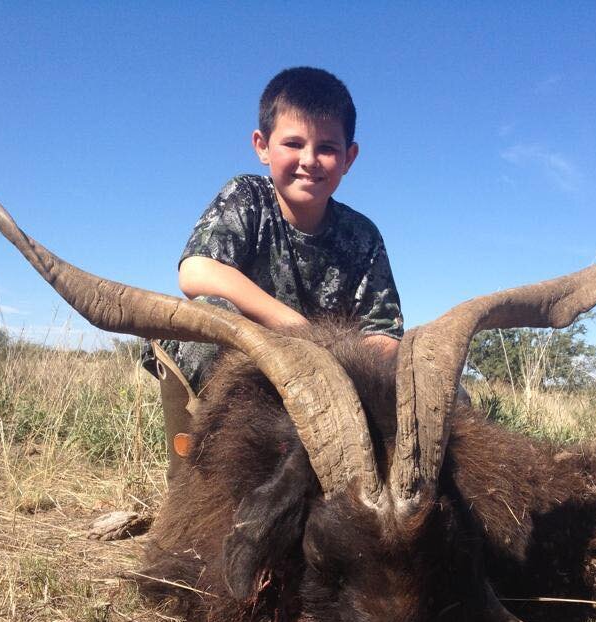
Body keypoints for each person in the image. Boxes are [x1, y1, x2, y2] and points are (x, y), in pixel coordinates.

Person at [140, 67, 404, 476]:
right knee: (202, 319)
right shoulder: (246, 196)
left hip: (334, 382)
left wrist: (339, 367)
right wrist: (294, 329)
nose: (309, 161)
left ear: (349, 158)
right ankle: (191, 484)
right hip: (251, 371)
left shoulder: (363, 235)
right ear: (262, 146)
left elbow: (384, 336)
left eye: (328, 148)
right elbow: (195, 271)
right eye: (293, 143)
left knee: (434, 378)